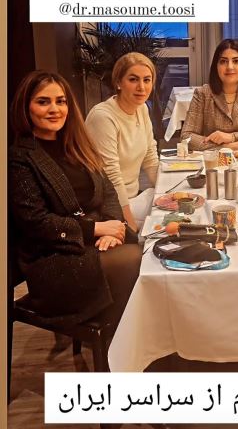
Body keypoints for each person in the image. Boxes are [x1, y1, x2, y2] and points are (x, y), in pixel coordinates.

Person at [9, 71, 141, 329]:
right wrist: (96, 229)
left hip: (95, 244)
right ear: (25, 107)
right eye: (43, 102)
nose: (54, 109)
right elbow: (37, 223)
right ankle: (123, 340)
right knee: (134, 260)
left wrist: (113, 228)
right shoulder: (19, 158)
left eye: (61, 101)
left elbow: (109, 191)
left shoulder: (78, 145)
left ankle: (129, 337)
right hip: (52, 258)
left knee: (146, 255)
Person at [86, 52, 159, 232]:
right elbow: (112, 177)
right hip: (107, 207)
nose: (141, 87)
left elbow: (150, 157)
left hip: (133, 198)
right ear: (118, 82)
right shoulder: (103, 117)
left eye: (147, 80)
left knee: (180, 211)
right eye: (133, 79)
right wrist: (130, 225)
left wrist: (166, 193)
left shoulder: (141, 108)